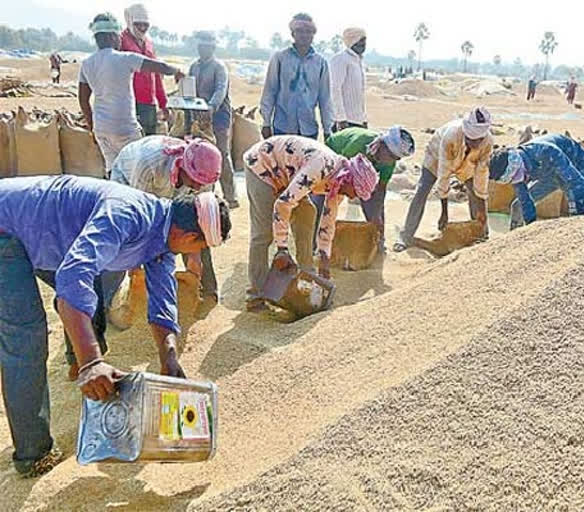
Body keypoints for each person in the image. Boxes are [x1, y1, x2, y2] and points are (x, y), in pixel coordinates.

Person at [0, 175, 231, 478]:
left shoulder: (162, 238)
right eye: (199, 247)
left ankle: (77, 361)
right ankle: (34, 455)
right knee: (26, 338)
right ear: (188, 238)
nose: (194, 255)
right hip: (7, 229)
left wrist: (169, 360)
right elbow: (72, 279)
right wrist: (92, 362)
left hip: (45, 235)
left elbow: (162, 304)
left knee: (85, 295)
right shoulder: (127, 213)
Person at [243, 136, 378, 312]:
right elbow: (283, 204)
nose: (353, 197)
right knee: (263, 233)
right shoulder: (320, 167)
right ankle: (256, 296)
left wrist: (324, 258)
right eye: (355, 192)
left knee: (307, 213)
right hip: (262, 164)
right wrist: (282, 249)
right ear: (349, 179)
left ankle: (308, 276)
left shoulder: (339, 182)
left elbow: (329, 220)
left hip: (286, 174)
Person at [104, 136, 223, 327]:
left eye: (203, 184)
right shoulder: (149, 164)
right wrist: (136, 263)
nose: (198, 187)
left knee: (198, 234)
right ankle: (111, 302)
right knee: (122, 239)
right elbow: (139, 218)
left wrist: (195, 260)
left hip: (167, 188)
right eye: (195, 182)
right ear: (183, 167)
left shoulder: (205, 174)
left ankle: (206, 291)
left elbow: (200, 222)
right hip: (130, 181)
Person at [78, 12, 185, 174]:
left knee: (113, 171)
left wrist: (93, 127)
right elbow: (159, 67)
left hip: (102, 129)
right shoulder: (125, 58)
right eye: (118, 35)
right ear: (112, 37)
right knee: (138, 171)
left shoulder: (87, 64)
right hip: (125, 127)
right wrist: (177, 71)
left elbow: (83, 100)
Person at [393, 107, 493, 252]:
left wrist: (483, 210)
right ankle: (405, 236)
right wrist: (444, 212)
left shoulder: (487, 142)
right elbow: (444, 175)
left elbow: (482, 176)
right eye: (471, 140)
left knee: (474, 192)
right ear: (466, 134)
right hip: (436, 156)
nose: (475, 144)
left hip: (466, 162)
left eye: (479, 140)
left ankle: (481, 234)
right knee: (422, 190)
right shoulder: (451, 136)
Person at [325, 126, 415, 252]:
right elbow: (341, 172)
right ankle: (318, 237)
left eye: (396, 159)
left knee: (372, 205)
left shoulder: (388, 164)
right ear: (383, 146)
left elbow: (380, 191)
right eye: (390, 156)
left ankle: (378, 240)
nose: (391, 161)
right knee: (327, 200)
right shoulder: (360, 144)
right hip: (336, 153)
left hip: (360, 167)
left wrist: (377, 217)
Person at [489, 133, 584, 229]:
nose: (522, 180)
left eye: (521, 175)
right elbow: (525, 201)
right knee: (517, 206)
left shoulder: (546, 151)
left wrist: (579, 221)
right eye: (514, 179)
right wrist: (531, 228)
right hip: (547, 173)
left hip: (576, 166)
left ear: (521, 163)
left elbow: (577, 184)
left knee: (576, 208)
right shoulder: (515, 169)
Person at [259, 13, 333, 141]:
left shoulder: (321, 63)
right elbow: (270, 91)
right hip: (282, 127)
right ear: (293, 34)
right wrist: (266, 123)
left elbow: (325, 99)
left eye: (308, 31)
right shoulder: (279, 58)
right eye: (300, 31)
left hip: (309, 129)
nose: (304, 35)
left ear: (313, 35)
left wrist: (327, 129)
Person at [189, 31, 239, 209]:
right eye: (201, 46)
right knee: (199, 154)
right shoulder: (193, 67)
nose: (203, 50)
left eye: (207, 47)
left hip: (219, 117)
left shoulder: (219, 67)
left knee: (221, 154)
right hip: (198, 116)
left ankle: (230, 196)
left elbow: (220, 90)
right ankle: (202, 193)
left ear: (213, 48)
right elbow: (189, 89)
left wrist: (211, 107)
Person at [119, 3, 168, 136]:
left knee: (148, 143)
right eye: (138, 24)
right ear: (130, 21)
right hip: (129, 103)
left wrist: (163, 103)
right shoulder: (121, 41)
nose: (142, 28)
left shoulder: (149, 43)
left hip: (148, 103)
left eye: (145, 25)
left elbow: (156, 75)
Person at [330, 27, 367, 132]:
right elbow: (335, 89)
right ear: (352, 41)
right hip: (344, 121)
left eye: (364, 40)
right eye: (360, 40)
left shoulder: (359, 61)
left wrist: (363, 119)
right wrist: (341, 118)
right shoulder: (341, 59)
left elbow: (359, 95)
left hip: (358, 120)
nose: (364, 44)